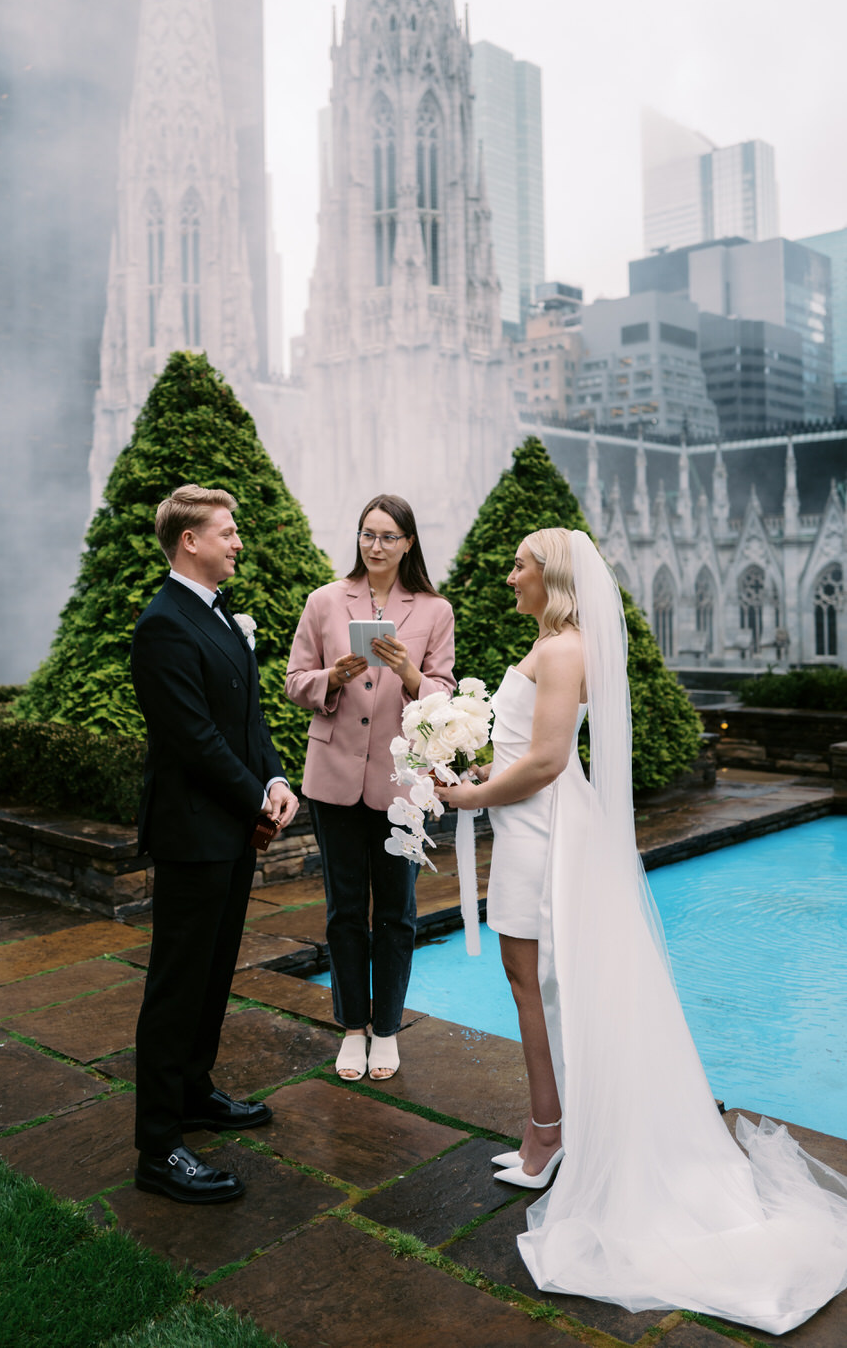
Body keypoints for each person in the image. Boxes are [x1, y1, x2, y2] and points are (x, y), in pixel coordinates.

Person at [436, 527, 847, 1336]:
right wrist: (485, 773)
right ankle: (549, 1133)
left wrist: (467, 799)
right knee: (540, 988)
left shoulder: (559, 653)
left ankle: (548, 1137)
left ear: (548, 575)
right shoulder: (556, 644)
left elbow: (550, 759)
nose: (508, 573)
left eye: (518, 563)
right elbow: (529, 750)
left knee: (540, 988)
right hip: (534, 827)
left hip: (542, 836)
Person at [129, 485, 299, 1204]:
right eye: (226, 532)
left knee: (212, 972)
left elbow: (247, 716)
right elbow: (192, 739)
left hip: (228, 831)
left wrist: (276, 773)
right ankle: (159, 1147)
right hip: (192, 833)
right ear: (189, 541)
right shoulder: (162, 625)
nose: (237, 542)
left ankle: (194, 1095)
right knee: (176, 986)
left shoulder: (220, 616)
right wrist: (256, 796)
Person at [285, 494, 455, 1083]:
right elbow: (294, 680)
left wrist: (409, 673)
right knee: (345, 911)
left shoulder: (434, 610)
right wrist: (332, 678)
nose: (375, 545)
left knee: (399, 913)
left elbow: (443, 697)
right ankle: (352, 1028)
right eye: (367, 534)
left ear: (408, 543)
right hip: (333, 781)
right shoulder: (325, 601)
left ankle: (387, 1028)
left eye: (387, 536)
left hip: (402, 786)